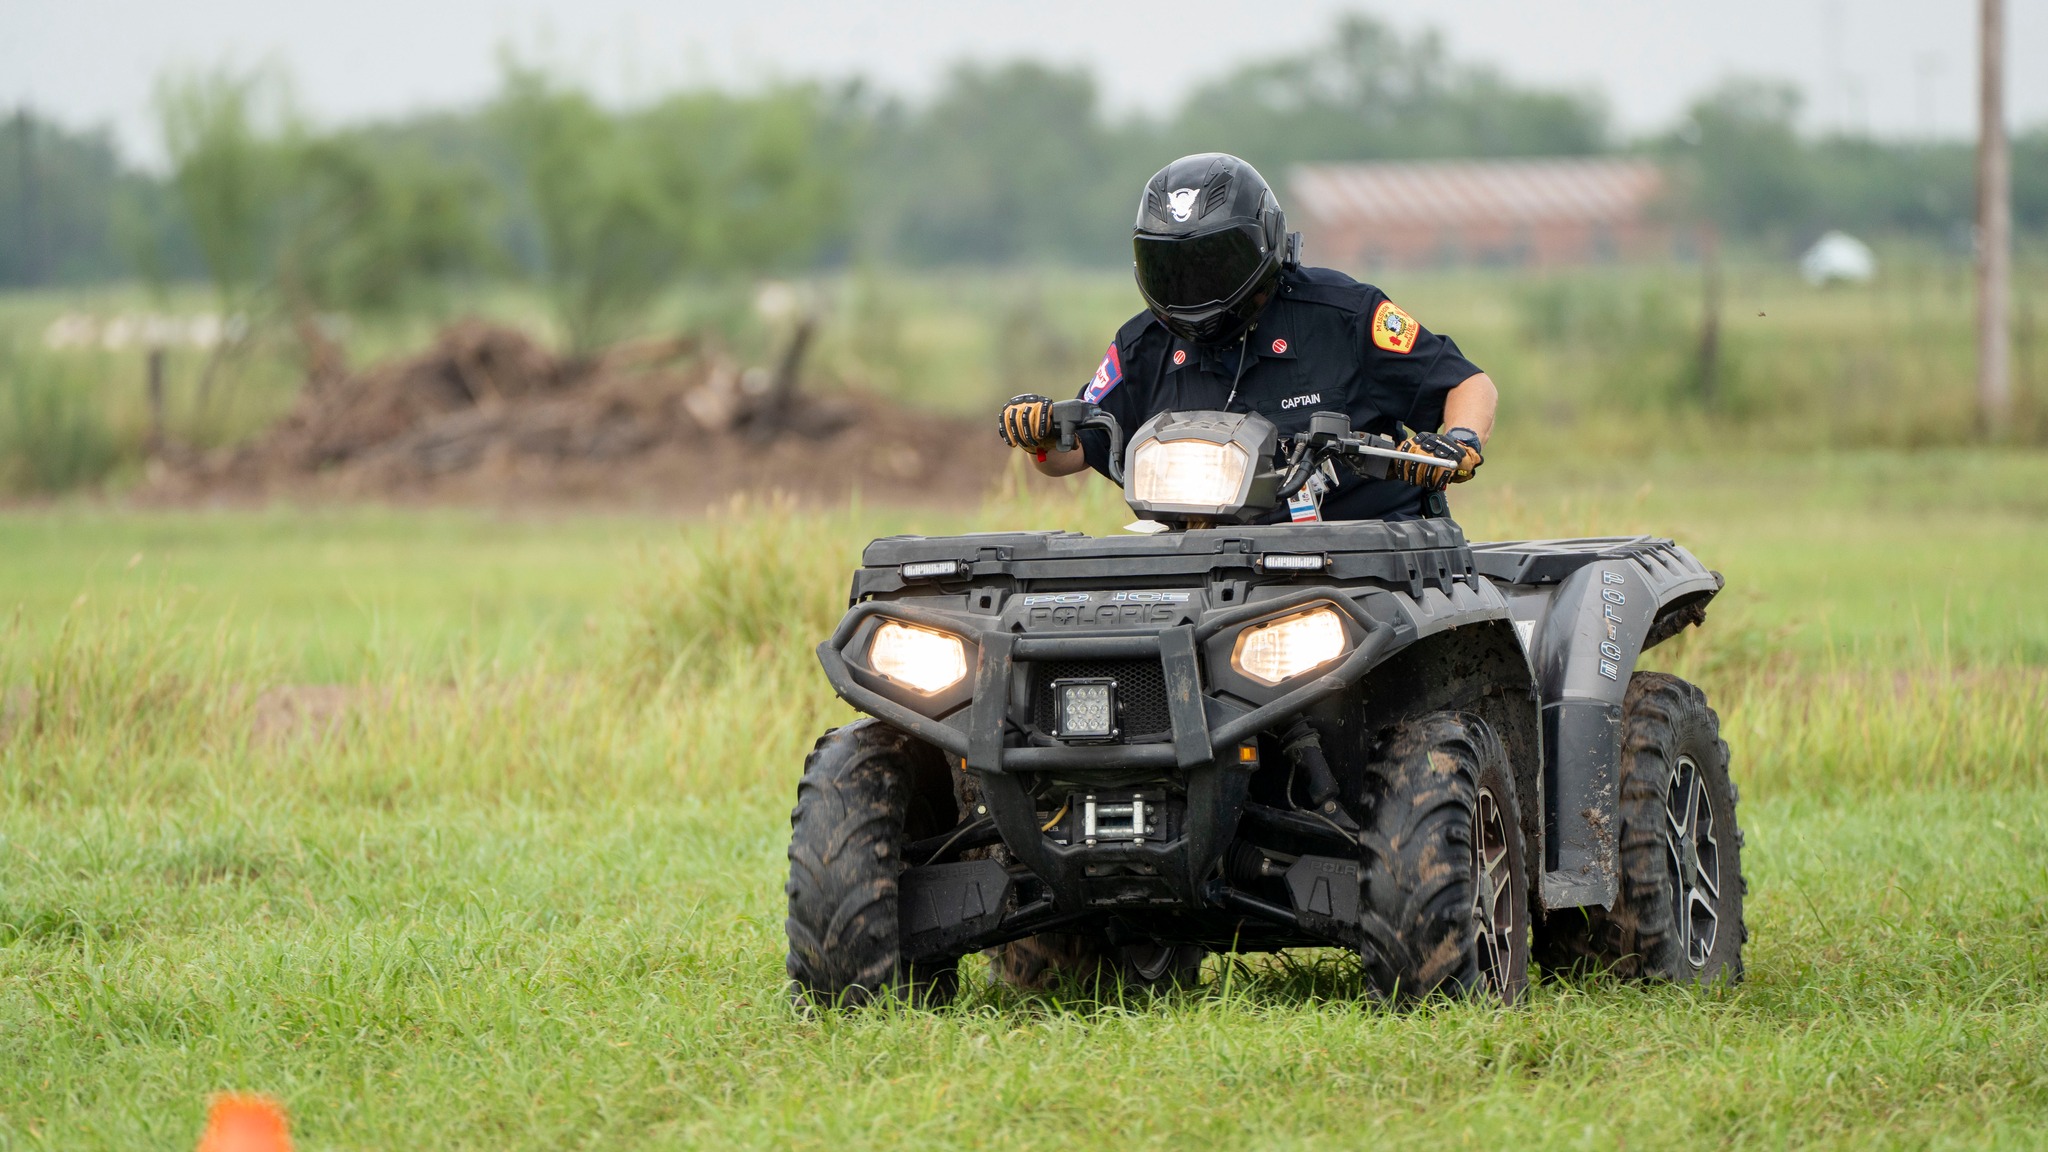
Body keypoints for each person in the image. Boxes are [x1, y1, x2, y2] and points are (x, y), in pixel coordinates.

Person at [997, 152, 1497, 522]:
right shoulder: (1141, 346)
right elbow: (1073, 452)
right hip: (1208, 570)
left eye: (1213, 264)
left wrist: (1459, 441)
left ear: (1266, 243)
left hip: (1366, 555)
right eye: (1172, 269)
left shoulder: (1343, 313)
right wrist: (1041, 439)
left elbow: (1468, 384)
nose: (1194, 287)